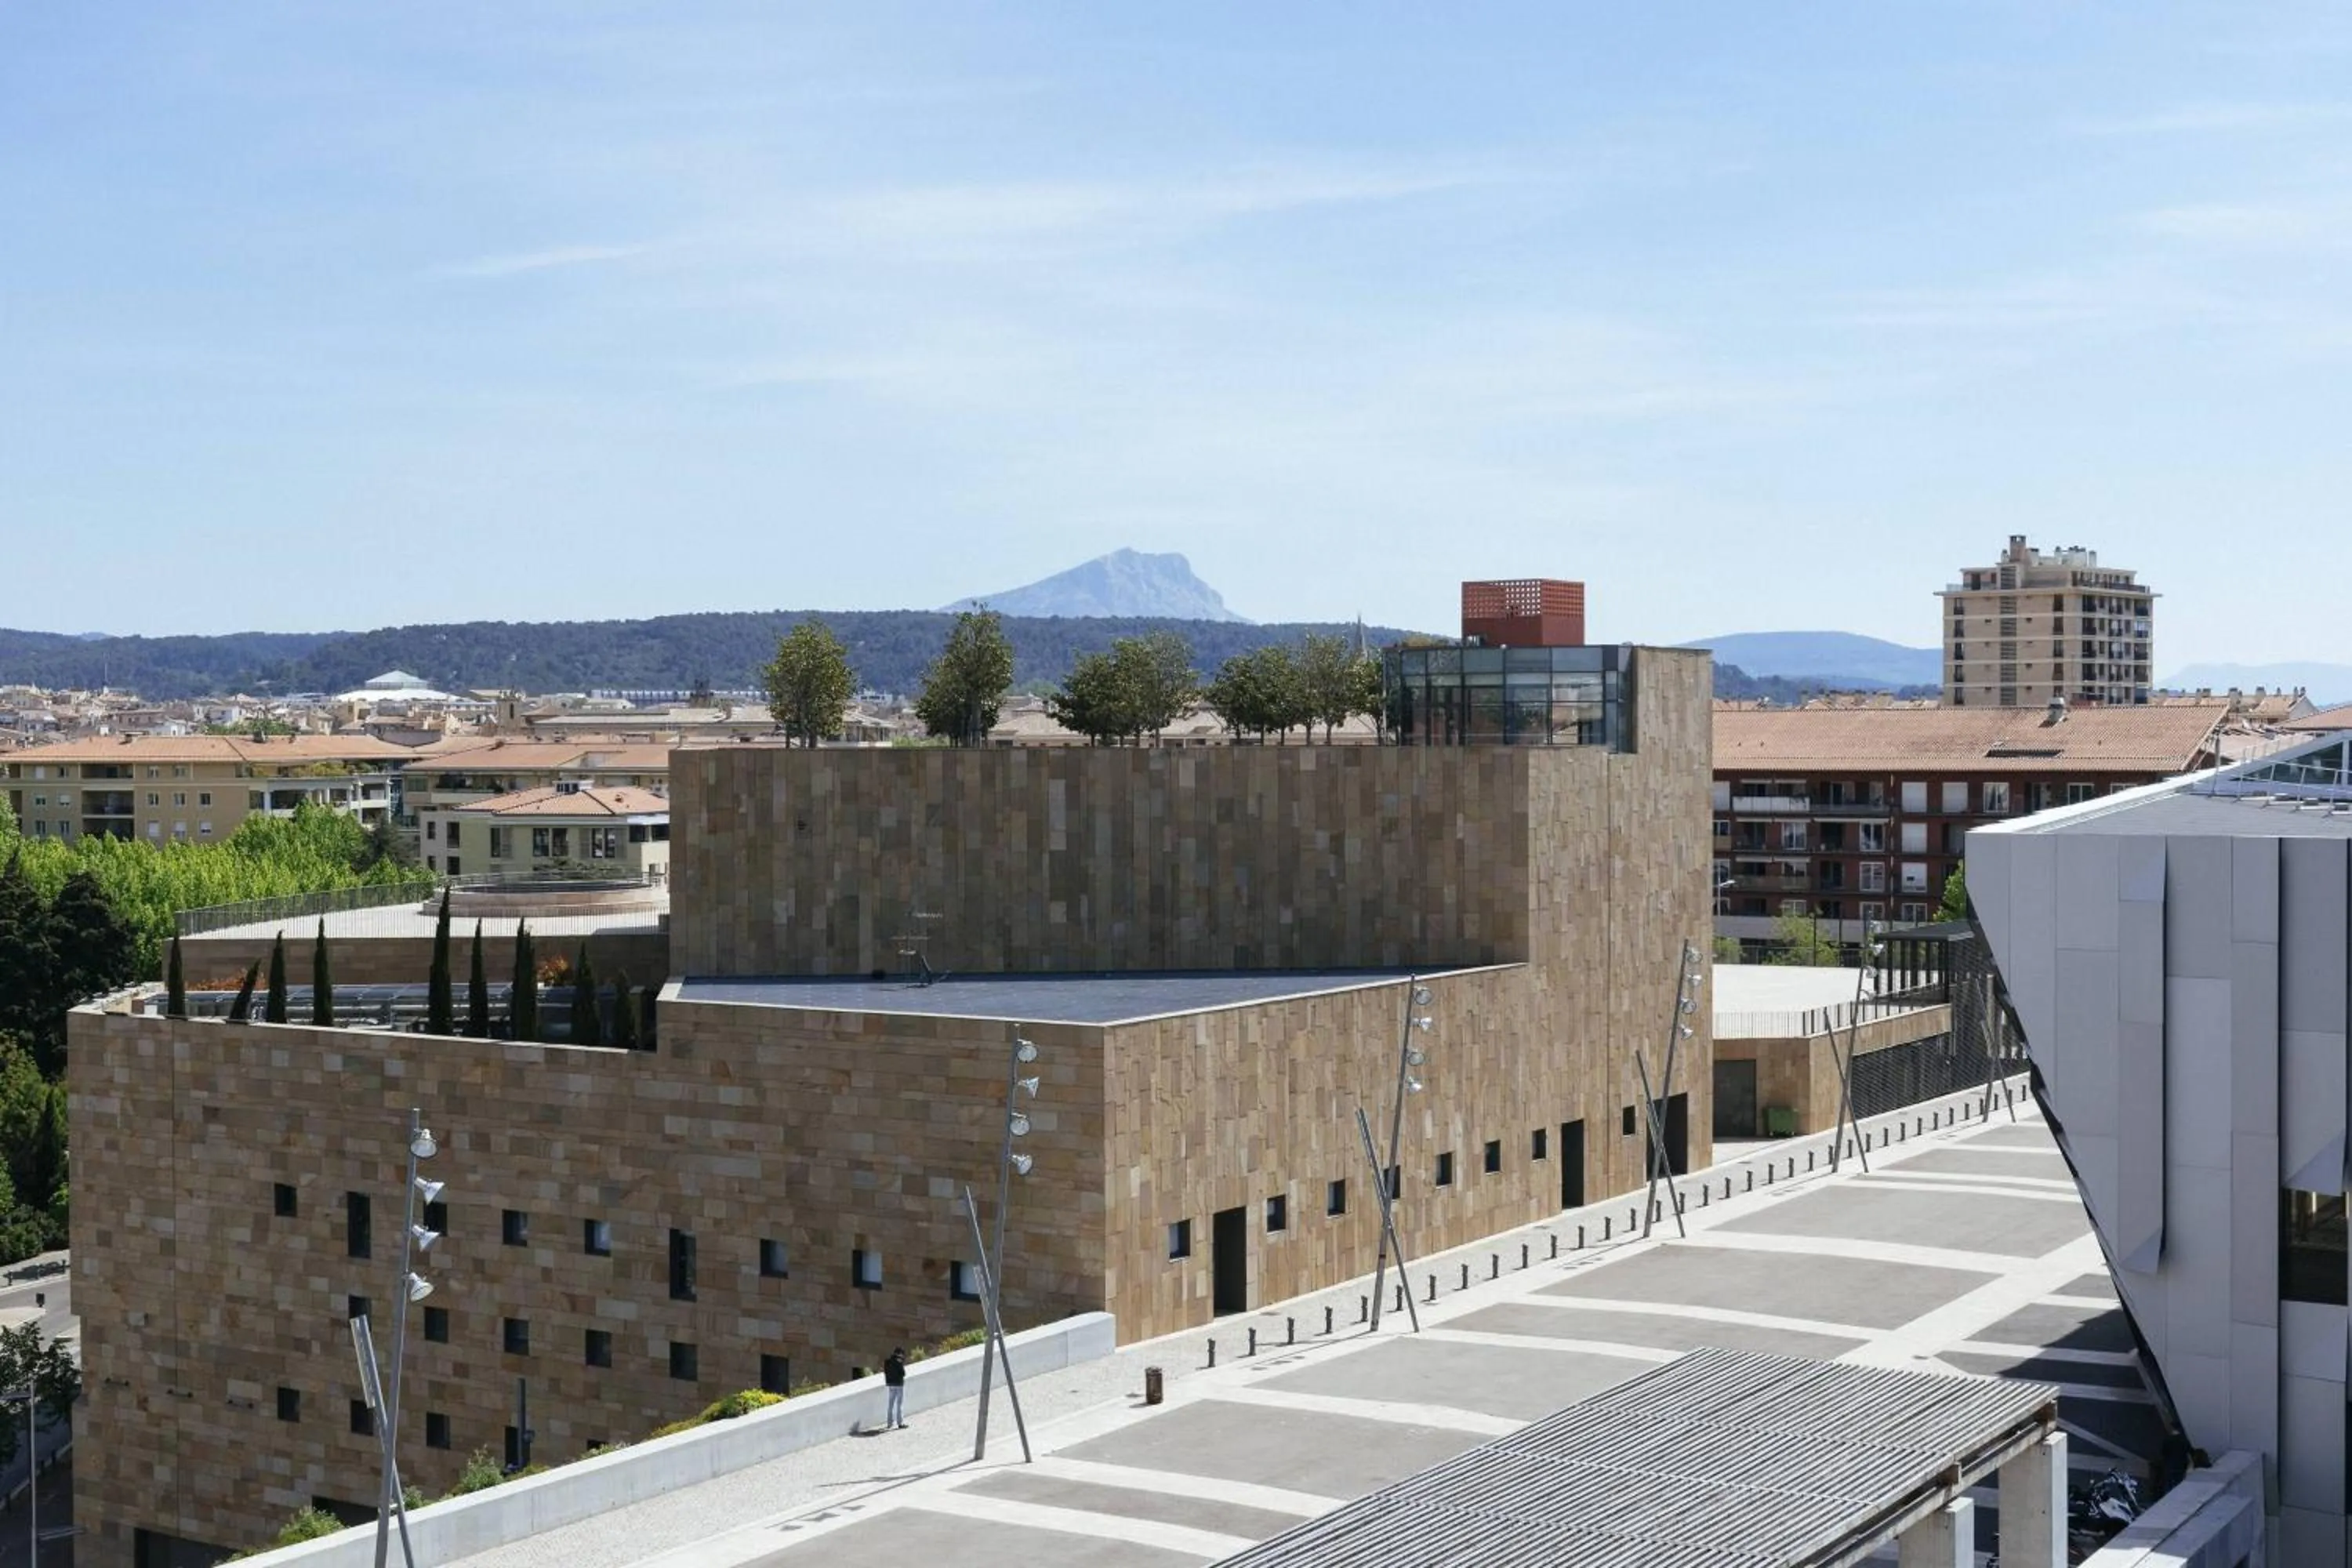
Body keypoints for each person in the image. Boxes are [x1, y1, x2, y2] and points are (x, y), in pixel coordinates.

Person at [883, 1347, 908, 1429]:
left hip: (890, 1384)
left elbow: (886, 1372)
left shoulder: (887, 1362)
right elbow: (903, 1373)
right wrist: (901, 1364)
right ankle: (900, 1423)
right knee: (899, 1404)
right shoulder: (899, 1362)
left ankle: (889, 1423)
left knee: (890, 1404)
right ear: (899, 1354)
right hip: (898, 1384)